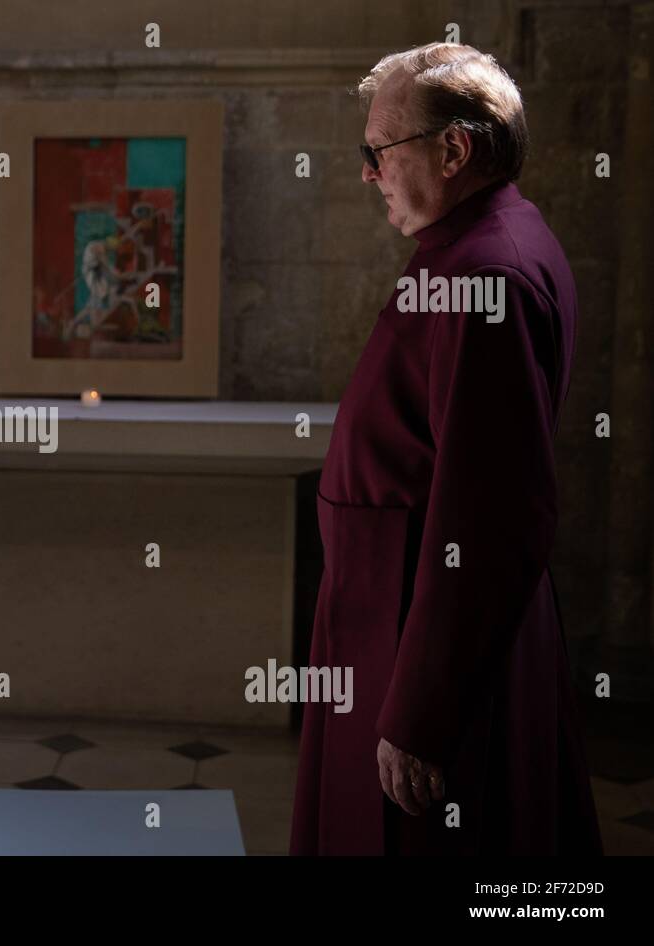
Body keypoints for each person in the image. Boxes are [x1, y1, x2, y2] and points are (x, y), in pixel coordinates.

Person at [290, 42, 603, 855]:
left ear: (453, 150)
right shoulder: (480, 247)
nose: (369, 174)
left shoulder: (485, 277)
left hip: (414, 636)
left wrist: (422, 713)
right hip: (387, 619)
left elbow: (496, 514)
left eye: (379, 152)